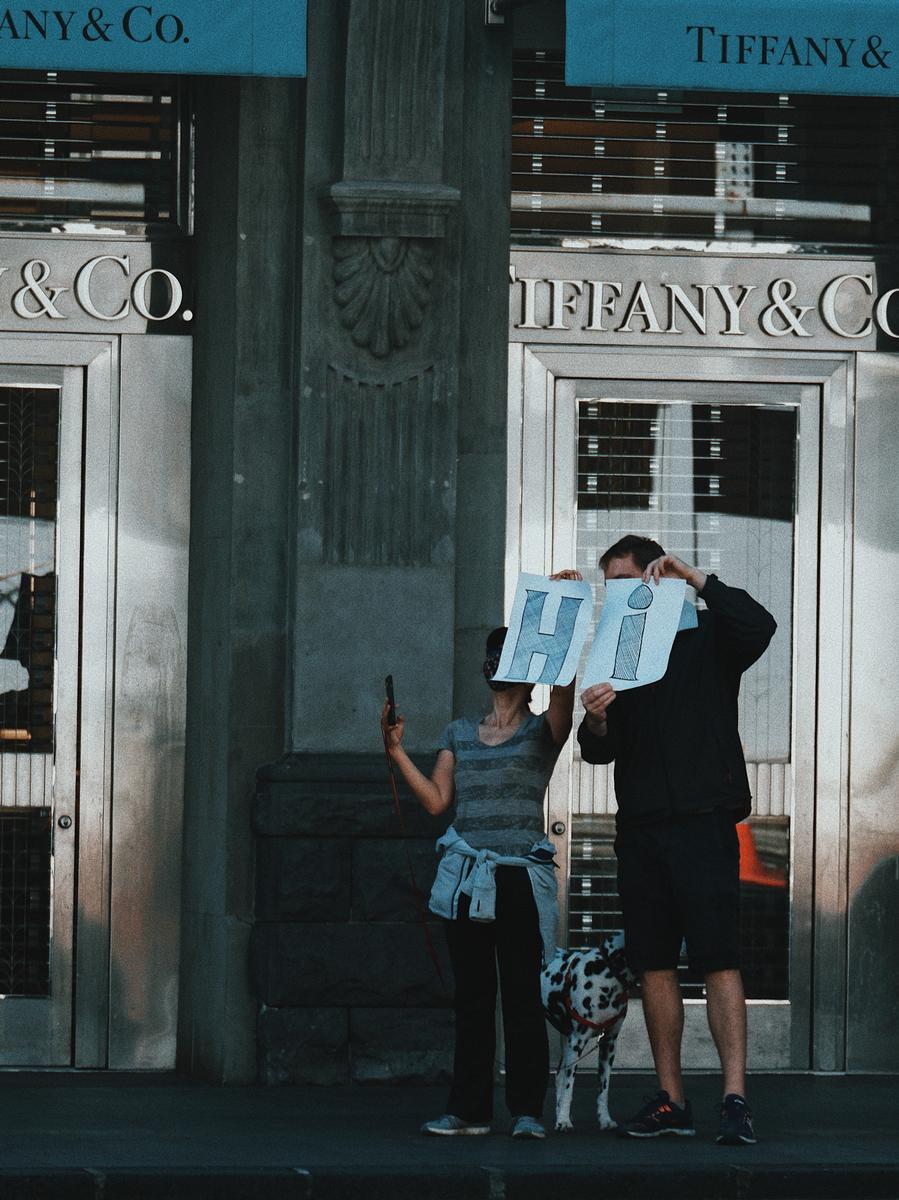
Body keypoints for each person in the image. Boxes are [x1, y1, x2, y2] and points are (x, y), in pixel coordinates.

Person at [578, 536, 775, 1147]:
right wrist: (599, 718)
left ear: (655, 578)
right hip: (640, 829)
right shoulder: (614, 649)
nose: (616, 592)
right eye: (607, 582)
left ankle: (735, 1101)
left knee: (717, 959)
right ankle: (672, 1100)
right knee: (653, 965)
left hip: (704, 821)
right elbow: (597, 750)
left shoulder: (708, 635)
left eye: (625, 579)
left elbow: (760, 624)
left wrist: (695, 577)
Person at [381, 571, 581, 1140]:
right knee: (472, 998)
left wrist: (559, 611)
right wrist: (397, 752)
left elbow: (565, 694)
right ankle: (468, 1111)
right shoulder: (460, 732)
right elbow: (438, 801)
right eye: (492, 655)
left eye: (508, 654)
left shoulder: (543, 731)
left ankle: (525, 1112)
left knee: (521, 994)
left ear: (526, 671)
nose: (497, 663)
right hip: (468, 878)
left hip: (518, 878)